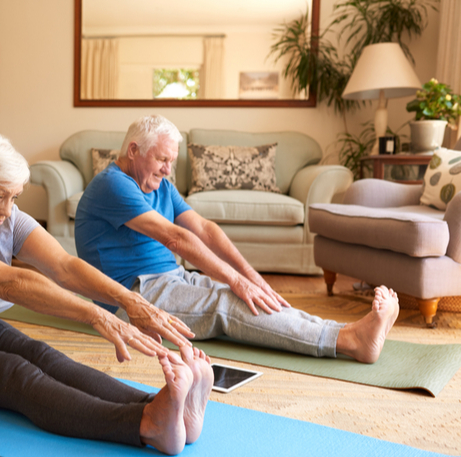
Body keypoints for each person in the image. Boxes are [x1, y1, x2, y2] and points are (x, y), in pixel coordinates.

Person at [0, 130, 214, 455]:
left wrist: (129, 301)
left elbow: (63, 265)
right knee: (13, 373)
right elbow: (9, 282)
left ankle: (165, 408)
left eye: (14, 197)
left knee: (44, 357)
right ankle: (146, 425)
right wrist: (96, 314)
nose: (7, 210)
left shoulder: (5, 217)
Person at [75, 115, 401, 364]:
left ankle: (347, 332)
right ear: (134, 151)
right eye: (162, 160)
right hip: (133, 296)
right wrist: (236, 282)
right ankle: (348, 342)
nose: (167, 171)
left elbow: (204, 229)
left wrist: (250, 277)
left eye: (171, 162)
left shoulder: (159, 184)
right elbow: (176, 238)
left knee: (241, 294)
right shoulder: (113, 184)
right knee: (226, 304)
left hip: (170, 279)